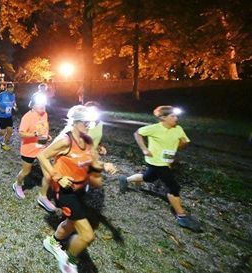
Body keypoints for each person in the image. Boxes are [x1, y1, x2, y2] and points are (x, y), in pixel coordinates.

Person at [37, 105, 104, 273]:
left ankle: (51, 242)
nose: (89, 126)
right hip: (65, 192)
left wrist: (103, 165)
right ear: (75, 123)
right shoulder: (66, 141)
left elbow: (90, 161)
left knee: (71, 223)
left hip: (80, 190)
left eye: (90, 123)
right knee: (87, 235)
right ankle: (69, 260)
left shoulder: (87, 140)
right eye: (86, 123)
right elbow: (42, 156)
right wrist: (58, 177)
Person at [118, 105, 202, 232]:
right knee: (173, 187)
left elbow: (184, 142)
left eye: (176, 115)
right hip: (156, 162)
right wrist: (144, 149)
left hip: (166, 162)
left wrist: (181, 144)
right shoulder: (154, 128)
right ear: (163, 118)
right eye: (172, 116)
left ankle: (125, 179)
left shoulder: (178, 129)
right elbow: (137, 134)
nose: (176, 118)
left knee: (148, 177)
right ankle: (182, 216)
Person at [12, 92, 57, 212]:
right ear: (32, 105)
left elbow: (44, 128)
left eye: (44, 103)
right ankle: (17, 184)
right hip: (28, 149)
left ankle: (43, 196)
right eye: (39, 104)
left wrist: (47, 136)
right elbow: (21, 133)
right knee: (26, 171)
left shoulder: (45, 114)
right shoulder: (27, 117)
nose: (43, 106)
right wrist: (35, 134)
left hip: (42, 148)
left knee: (48, 174)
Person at [0, 81, 17, 151]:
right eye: (9, 88)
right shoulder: (1, 95)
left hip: (9, 115)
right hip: (1, 116)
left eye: (12, 88)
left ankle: (3, 144)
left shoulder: (13, 95)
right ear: (6, 88)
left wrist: (15, 107)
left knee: (10, 131)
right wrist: (0, 109)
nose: (11, 89)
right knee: (4, 132)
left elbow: (14, 103)